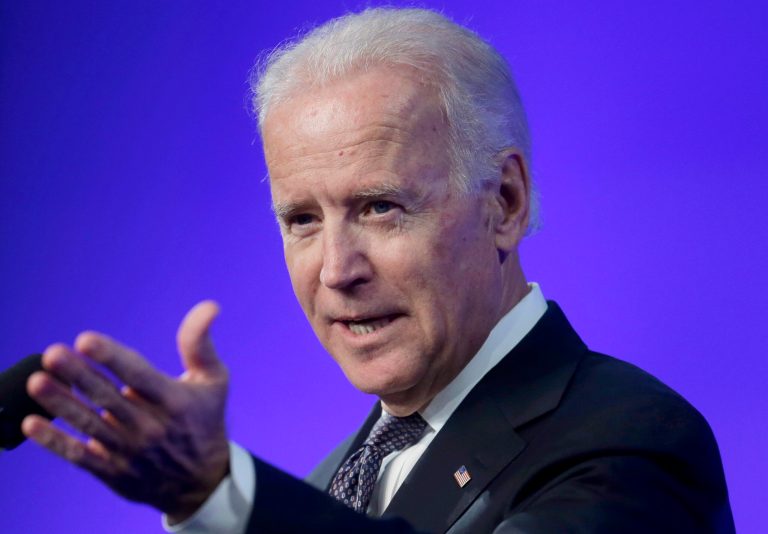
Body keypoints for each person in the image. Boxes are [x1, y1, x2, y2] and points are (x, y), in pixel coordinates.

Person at [22, 7, 734, 533]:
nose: (336, 270)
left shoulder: (632, 442)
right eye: (302, 219)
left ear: (505, 203)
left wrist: (216, 496)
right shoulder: (327, 485)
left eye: (380, 207)